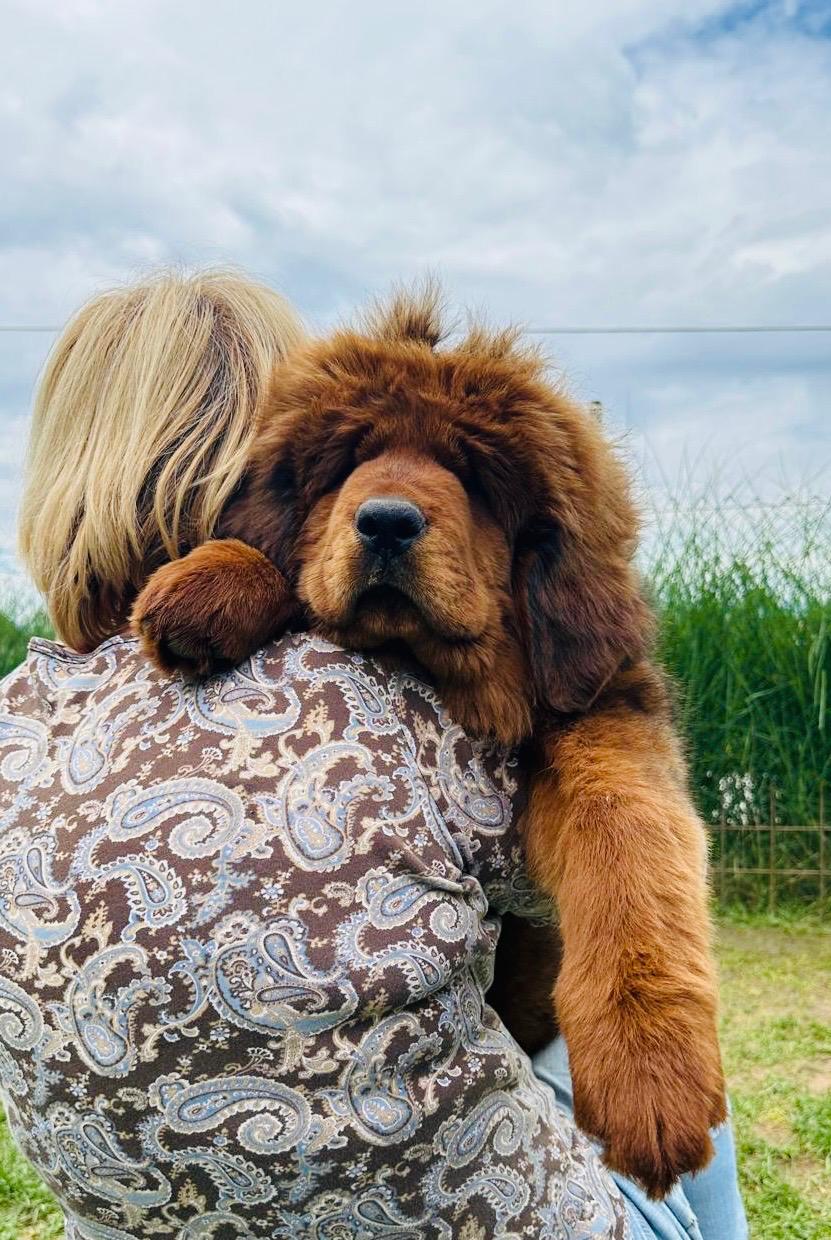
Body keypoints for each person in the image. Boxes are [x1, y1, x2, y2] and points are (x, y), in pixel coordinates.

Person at [0, 268, 746, 1239]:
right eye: (345, 459)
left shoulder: (19, 719)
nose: (388, 497)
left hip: (132, 1214)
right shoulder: (400, 725)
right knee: (651, 1022)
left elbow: (594, 729)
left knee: (631, 997)